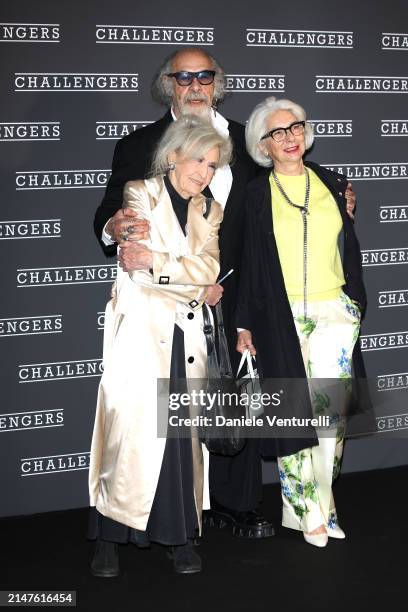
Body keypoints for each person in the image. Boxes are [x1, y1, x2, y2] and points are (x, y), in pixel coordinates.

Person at [93, 46, 356, 539]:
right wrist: (116, 223)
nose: (195, 86)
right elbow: (108, 208)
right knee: (169, 406)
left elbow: (291, 179)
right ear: (167, 85)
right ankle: (163, 507)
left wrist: (339, 190)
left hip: (242, 285)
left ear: (218, 83)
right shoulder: (136, 145)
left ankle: (235, 505)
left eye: (205, 76)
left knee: (238, 392)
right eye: (184, 78)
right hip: (168, 297)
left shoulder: (247, 139)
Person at [88, 115, 232, 576]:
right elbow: (136, 268)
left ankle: (178, 536)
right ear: (173, 155)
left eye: (212, 166)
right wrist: (188, 277)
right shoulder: (137, 193)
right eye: (198, 160)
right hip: (139, 333)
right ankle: (108, 539)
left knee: (178, 440)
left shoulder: (211, 210)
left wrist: (166, 264)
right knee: (126, 436)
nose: (204, 173)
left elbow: (208, 268)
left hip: (186, 337)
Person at [236, 96, 366, 548]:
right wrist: (243, 323)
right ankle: (308, 512)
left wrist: (352, 304)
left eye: (294, 127)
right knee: (292, 416)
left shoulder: (333, 183)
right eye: (276, 132)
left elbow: (346, 246)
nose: (288, 137)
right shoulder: (252, 194)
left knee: (331, 419)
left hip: (334, 312)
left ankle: (324, 505)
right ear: (262, 145)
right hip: (278, 316)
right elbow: (244, 262)